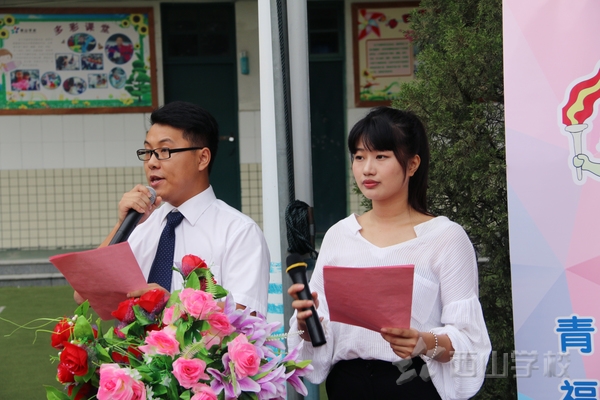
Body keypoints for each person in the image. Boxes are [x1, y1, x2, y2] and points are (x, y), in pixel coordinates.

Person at [287, 107, 491, 399]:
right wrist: (306, 326)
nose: (367, 169)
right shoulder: (339, 236)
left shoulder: (445, 238)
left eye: (381, 156)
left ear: (412, 164)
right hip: (347, 386)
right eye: (359, 157)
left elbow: (470, 340)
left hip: (413, 384)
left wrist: (424, 342)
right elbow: (320, 341)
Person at [75, 101, 270, 316]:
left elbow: (246, 319)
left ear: (202, 158)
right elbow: (83, 295)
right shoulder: (139, 224)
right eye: (148, 152)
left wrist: (171, 306)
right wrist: (122, 224)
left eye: (164, 151)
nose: (152, 162)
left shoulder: (238, 232)